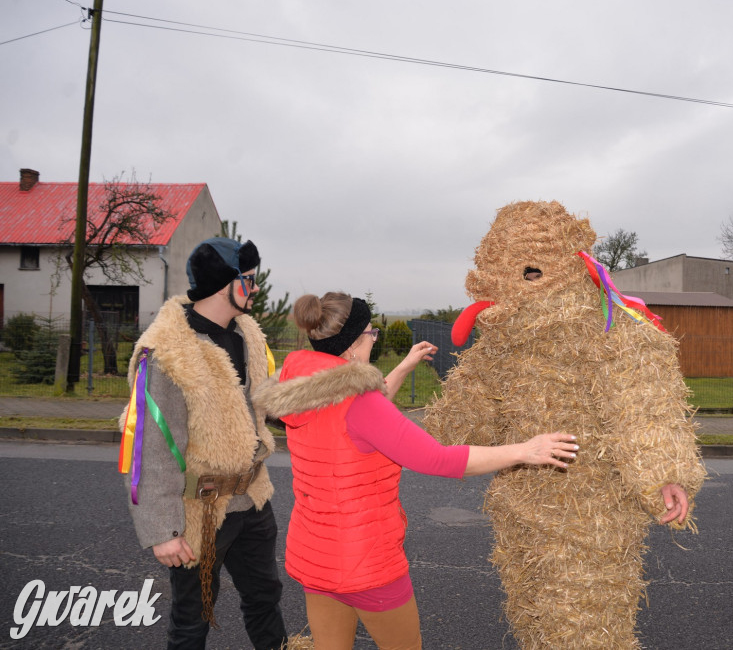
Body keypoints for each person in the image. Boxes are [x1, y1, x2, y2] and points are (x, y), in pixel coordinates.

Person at [253, 291, 579, 650]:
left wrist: (405, 364)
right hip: (366, 564)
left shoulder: (299, 394)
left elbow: (362, 417)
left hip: (315, 558)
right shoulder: (361, 405)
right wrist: (525, 450)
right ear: (350, 346)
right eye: (370, 333)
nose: (374, 339)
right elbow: (437, 458)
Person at [118, 238, 288, 649]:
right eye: (248, 280)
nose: (256, 287)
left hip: (252, 500)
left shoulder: (248, 333)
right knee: (192, 620)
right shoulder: (166, 352)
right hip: (199, 513)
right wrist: (162, 530)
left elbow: (267, 399)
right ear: (224, 283)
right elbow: (148, 445)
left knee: (265, 598)